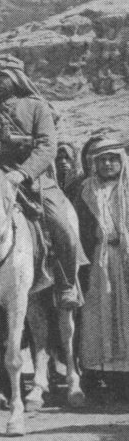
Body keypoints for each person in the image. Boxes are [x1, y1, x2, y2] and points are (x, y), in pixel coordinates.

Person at [0, 55, 85, 309]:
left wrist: (22, 173)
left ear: (16, 78)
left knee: (61, 224)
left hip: (31, 180)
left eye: (3, 76)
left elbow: (47, 147)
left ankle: (67, 285)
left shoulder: (36, 107)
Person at [72, 136, 129, 394]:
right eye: (102, 160)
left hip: (125, 257)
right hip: (97, 260)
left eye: (112, 159)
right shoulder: (85, 190)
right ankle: (97, 371)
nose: (107, 164)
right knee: (97, 313)